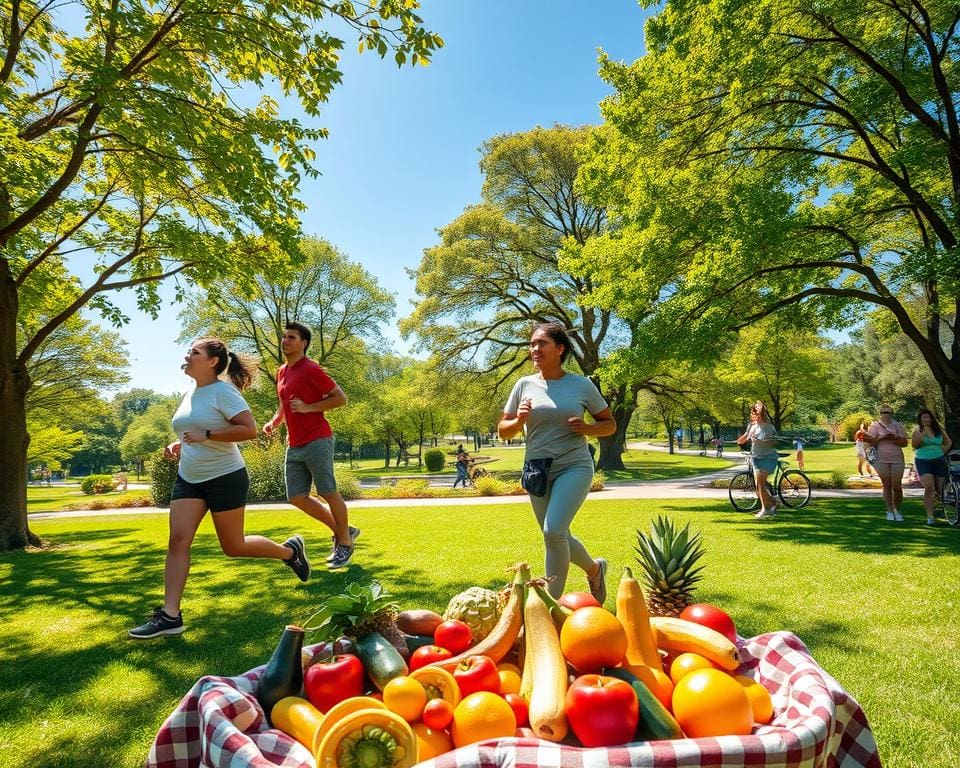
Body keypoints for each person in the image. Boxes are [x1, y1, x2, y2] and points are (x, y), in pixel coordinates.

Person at [128, 338, 310, 640]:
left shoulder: (223, 391)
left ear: (212, 361)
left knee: (233, 546)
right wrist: (180, 443)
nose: (187, 356)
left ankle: (288, 552)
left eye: (194, 352)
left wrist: (207, 434)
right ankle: (170, 616)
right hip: (189, 478)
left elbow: (248, 429)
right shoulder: (190, 394)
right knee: (178, 540)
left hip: (225, 476)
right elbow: (194, 431)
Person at [498, 323, 617, 603]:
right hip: (537, 469)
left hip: (573, 465)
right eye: (532, 344)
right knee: (557, 535)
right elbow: (503, 430)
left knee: (554, 532)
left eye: (542, 343)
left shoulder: (581, 385)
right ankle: (595, 568)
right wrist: (519, 420)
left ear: (559, 348)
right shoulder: (523, 385)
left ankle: (549, 605)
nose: (534, 349)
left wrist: (586, 429)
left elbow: (609, 425)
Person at [264, 322, 358, 569]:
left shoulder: (311, 369)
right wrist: (275, 422)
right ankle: (342, 530)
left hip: (317, 439)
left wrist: (308, 408)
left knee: (327, 491)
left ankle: (345, 543)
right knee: (296, 496)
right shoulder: (282, 371)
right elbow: (284, 403)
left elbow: (340, 398)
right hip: (294, 444)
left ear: (303, 343)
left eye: (291, 337)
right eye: (284, 337)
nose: (285, 341)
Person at [864, 405, 909, 522]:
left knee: (897, 486)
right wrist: (882, 437)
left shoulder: (897, 425)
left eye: (888, 412)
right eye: (884, 412)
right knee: (887, 485)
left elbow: (904, 443)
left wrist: (895, 438)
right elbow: (871, 442)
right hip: (881, 458)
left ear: (892, 414)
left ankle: (897, 509)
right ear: (880, 413)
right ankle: (889, 510)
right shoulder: (874, 426)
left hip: (897, 457)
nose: (886, 414)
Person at [735, 401, 779, 518]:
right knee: (758, 487)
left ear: (762, 413)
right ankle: (773, 503)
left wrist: (768, 441)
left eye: (757, 412)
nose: (754, 414)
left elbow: (775, 442)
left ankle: (765, 510)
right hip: (756, 458)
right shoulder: (752, 427)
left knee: (760, 483)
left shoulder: (769, 427)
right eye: (753, 412)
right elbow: (743, 439)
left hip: (768, 458)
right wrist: (740, 440)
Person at [911, 408, 953, 526]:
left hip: (939, 460)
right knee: (929, 487)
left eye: (927, 415)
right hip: (923, 460)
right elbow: (915, 446)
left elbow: (948, 442)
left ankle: (947, 512)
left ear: (931, 418)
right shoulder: (917, 430)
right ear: (920, 419)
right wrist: (919, 436)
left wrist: (942, 451)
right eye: (922, 416)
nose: (924, 417)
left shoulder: (939, 429)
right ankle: (930, 516)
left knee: (941, 489)